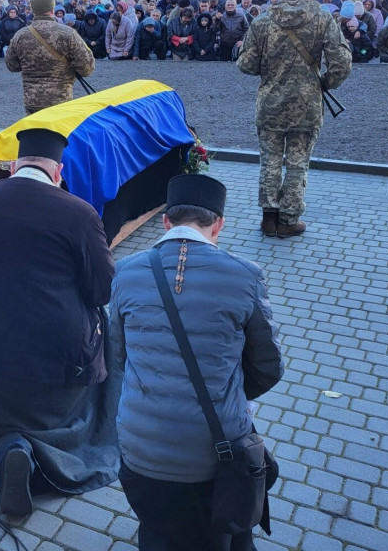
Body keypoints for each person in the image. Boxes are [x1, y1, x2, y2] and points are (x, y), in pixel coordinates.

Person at [110, 174, 283, 551]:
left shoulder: (125, 271)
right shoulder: (246, 275)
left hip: (141, 449)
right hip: (217, 454)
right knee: (225, 536)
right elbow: (269, 367)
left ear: (165, 221)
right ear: (218, 224)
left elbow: (117, 355)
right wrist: (228, 391)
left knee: (158, 533)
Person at [0, 129, 118, 516]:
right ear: (58, 172)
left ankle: (14, 446)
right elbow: (102, 290)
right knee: (106, 326)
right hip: (57, 370)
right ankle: (54, 446)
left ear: (13, 166)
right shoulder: (79, 212)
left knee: (9, 420)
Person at [237, 0, 351, 238]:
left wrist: (270, 69)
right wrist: (324, 82)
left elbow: (246, 64)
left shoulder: (262, 21)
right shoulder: (323, 18)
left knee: (270, 162)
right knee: (298, 163)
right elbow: (342, 63)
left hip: (270, 104)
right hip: (307, 104)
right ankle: (288, 220)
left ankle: (268, 218)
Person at [6, 0, 95, 115]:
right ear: (53, 9)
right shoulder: (68, 33)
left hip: (32, 101)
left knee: (35, 132)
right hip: (61, 100)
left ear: (32, 10)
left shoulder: (20, 35)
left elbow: (12, 66)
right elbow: (87, 68)